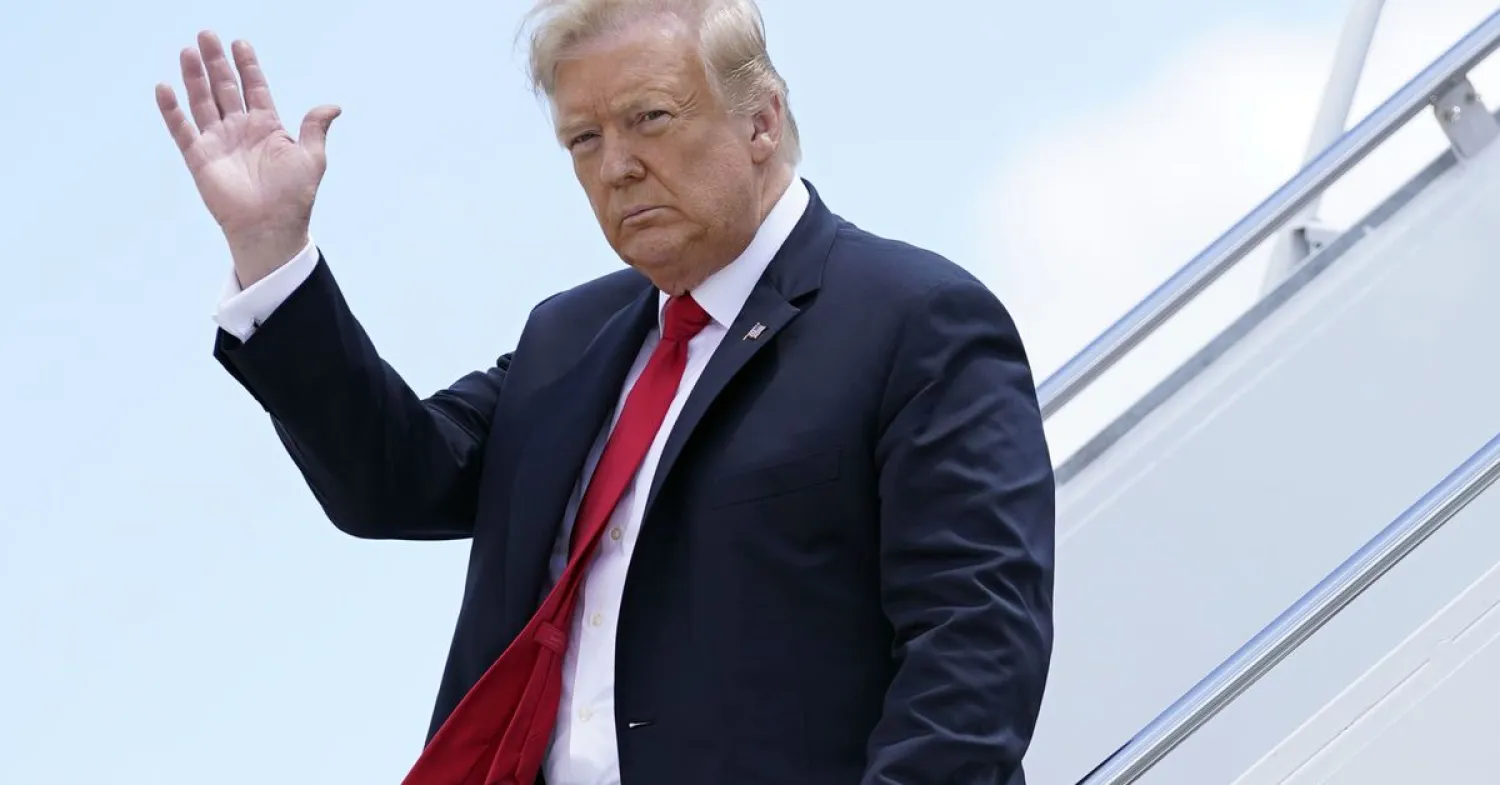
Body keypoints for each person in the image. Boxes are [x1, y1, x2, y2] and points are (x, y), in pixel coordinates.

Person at [154, 1, 1056, 783]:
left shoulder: (915, 322)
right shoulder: (568, 338)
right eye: (584, 138)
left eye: (650, 118)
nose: (615, 164)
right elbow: (395, 476)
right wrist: (274, 255)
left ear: (762, 120)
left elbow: (974, 650)